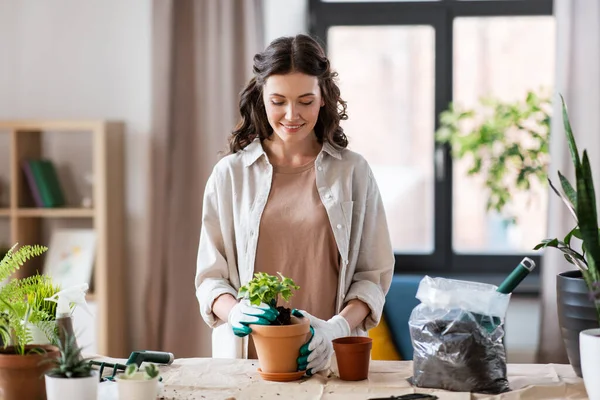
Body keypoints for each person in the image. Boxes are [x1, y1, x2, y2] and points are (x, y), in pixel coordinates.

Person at [195, 34, 394, 376]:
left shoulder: (353, 172)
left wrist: (337, 329)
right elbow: (211, 278)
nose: (292, 114)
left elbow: (372, 276)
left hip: (330, 358)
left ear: (323, 99)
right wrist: (234, 312)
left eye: (305, 100)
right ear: (261, 98)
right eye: (278, 101)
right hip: (248, 364)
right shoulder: (230, 175)